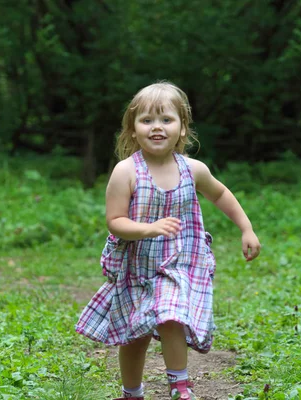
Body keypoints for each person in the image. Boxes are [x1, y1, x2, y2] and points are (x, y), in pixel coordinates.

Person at [75, 81, 261, 400]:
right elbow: (115, 221)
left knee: (171, 314)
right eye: (147, 120)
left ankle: (180, 385)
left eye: (166, 119)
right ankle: (131, 393)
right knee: (136, 337)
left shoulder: (193, 169)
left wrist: (246, 228)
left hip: (176, 264)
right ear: (133, 130)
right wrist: (149, 228)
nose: (156, 127)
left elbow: (220, 193)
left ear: (183, 128)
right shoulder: (126, 172)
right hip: (135, 268)